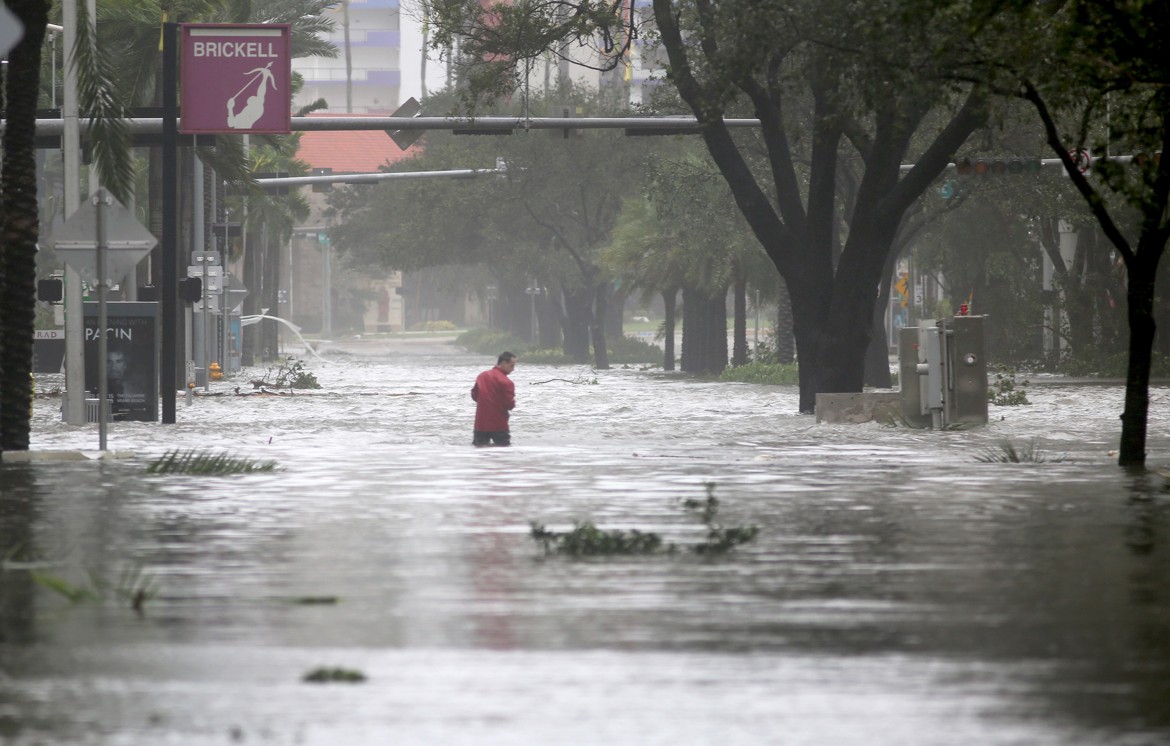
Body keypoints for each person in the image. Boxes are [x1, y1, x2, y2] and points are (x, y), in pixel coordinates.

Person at [471, 352, 517, 446]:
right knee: (504, 455)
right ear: (503, 363)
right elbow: (509, 405)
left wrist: (485, 402)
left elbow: (474, 395)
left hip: (481, 424)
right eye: (511, 366)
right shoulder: (507, 382)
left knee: (479, 454)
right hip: (499, 425)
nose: (513, 369)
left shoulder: (482, 376)